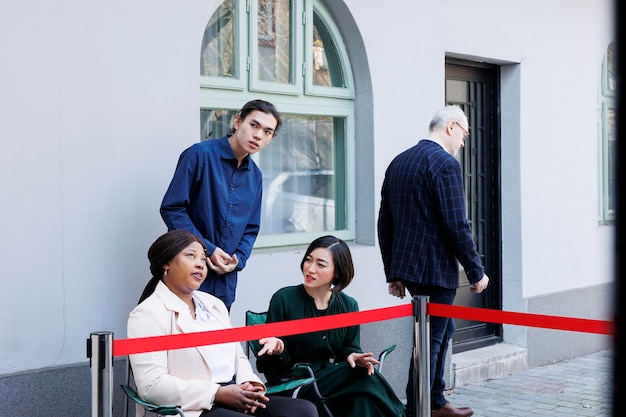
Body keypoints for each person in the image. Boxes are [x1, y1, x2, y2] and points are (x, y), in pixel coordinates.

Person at [128, 229, 319, 417]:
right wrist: (217, 394)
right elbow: (151, 386)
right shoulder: (147, 314)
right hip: (194, 407)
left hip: (234, 394)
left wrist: (251, 385)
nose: (200, 265)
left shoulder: (214, 305)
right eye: (191, 256)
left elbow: (239, 357)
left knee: (303, 410)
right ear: (166, 263)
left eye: (203, 259)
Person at [377, 105, 490, 417]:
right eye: (465, 135)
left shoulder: (399, 161)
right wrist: (476, 270)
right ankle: (420, 409)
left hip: (412, 273)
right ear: (451, 127)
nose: (464, 143)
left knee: (441, 331)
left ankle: (435, 401)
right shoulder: (444, 164)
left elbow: (385, 222)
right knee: (431, 342)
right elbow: (457, 224)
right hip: (436, 271)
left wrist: (394, 273)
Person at [254, 235, 405, 417]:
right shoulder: (284, 299)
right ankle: (401, 413)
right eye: (308, 260)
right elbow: (267, 367)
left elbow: (349, 349)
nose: (310, 269)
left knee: (362, 399)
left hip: (332, 380)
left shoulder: (348, 305)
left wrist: (353, 356)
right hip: (295, 382)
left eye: (321, 264)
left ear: (338, 272)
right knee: (363, 378)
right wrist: (279, 350)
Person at [160, 99, 282, 310]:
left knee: (217, 341)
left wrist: (238, 260)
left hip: (225, 282)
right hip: (187, 272)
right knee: (182, 339)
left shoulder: (256, 177)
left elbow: (251, 229)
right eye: (254, 125)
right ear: (237, 122)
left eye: (267, 132)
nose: (258, 135)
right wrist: (208, 249)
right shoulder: (199, 155)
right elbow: (172, 208)